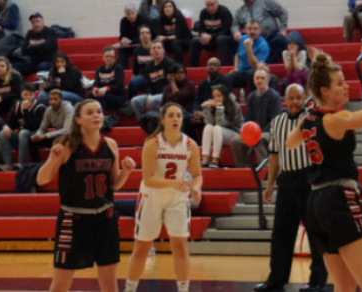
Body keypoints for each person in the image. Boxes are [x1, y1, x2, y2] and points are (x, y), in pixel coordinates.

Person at [285, 40, 362, 292]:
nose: (346, 87)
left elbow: (291, 143)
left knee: (344, 286)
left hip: (315, 204)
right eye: (339, 83)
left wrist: (311, 111)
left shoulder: (310, 118)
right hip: (339, 199)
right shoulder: (336, 119)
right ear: (324, 91)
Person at [36, 100, 136, 292]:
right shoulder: (65, 144)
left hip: (105, 218)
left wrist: (127, 172)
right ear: (78, 120)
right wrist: (52, 159)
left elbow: (113, 185)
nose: (97, 115)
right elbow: (42, 179)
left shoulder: (111, 145)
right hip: (72, 219)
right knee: (60, 285)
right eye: (90, 113)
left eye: (99, 111)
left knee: (110, 284)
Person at [256, 84, 327, 292]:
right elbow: (274, 155)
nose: (295, 101)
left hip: (308, 179)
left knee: (315, 232)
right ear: (284, 100)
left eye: (299, 97)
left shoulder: (312, 117)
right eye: (291, 98)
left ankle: (317, 281)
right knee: (281, 233)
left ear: (305, 98)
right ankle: (275, 280)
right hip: (286, 182)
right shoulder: (277, 122)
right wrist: (269, 184)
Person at [124, 103, 202, 292]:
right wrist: (173, 183)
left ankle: (183, 289)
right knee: (142, 248)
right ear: (163, 120)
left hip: (178, 198)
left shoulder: (190, 145)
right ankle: (129, 289)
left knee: (180, 248)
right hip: (152, 196)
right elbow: (148, 179)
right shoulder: (153, 143)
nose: (176, 119)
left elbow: (197, 174)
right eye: (171, 115)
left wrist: (197, 188)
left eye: (178, 115)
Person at [219, 0, 288, 66]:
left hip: (269, 37)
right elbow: (234, 25)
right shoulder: (240, 11)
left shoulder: (266, 1)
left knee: (280, 40)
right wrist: (236, 31)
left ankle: (265, 65)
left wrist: (282, 29)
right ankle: (239, 66)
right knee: (228, 40)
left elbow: (282, 13)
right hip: (250, 41)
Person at [231, 67, 281, 168]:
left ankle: (264, 169)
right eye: (257, 78)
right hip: (254, 133)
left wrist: (257, 134)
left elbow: (274, 121)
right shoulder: (251, 97)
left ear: (268, 80)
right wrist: (248, 134)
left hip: (270, 133)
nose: (259, 80)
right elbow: (248, 120)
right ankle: (243, 169)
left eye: (262, 78)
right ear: (253, 80)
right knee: (235, 141)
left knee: (259, 139)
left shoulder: (274, 96)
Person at [0, 83, 46, 169]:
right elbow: (10, 123)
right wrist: (6, 126)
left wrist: (26, 111)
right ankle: (8, 163)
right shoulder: (17, 105)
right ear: (21, 94)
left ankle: (21, 163)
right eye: (25, 94)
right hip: (21, 138)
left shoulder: (40, 107)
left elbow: (33, 127)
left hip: (35, 137)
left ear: (35, 95)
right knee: (3, 133)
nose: (28, 97)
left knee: (23, 133)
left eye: (30, 95)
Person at [130, 41, 176, 123]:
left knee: (152, 100)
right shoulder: (148, 67)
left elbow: (168, 85)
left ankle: (157, 123)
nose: (156, 50)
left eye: (158, 48)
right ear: (150, 51)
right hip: (154, 95)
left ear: (163, 50)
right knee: (134, 101)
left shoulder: (170, 63)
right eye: (154, 48)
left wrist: (151, 97)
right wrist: (149, 94)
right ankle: (144, 123)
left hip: (167, 93)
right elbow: (148, 85)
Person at [201, 84, 242, 168]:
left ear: (224, 95)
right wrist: (206, 109)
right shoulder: (215, 105)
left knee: (217, 128)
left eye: (219, 95)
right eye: (214, 96)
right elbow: (210, 122)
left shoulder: (234, 106)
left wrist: (219, 108)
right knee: (208, 127)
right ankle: (205, 159)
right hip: (220, 134)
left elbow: (222, 123)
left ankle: (215, 160)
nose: (216, 98)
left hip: (235, 134)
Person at [190, 58, 233, 134]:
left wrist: (205, 114)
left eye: (215, 65)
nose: (212, 66)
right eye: (209, 65)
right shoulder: (202, 83)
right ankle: (195, 143)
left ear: (220, 68)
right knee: (188, 120)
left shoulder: (226, 81)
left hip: (220, 114)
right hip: (204, 113)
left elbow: (228, 102)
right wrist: (196, 111)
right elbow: (197, 100)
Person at [189, 0, 233, 67]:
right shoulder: (203, 13)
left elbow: (226, 31)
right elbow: (200, 28)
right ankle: (193, 68)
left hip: (221, 41)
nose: (210, 8)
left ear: (217, 3)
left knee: (221, 39)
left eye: (212, 5)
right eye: (208, 5)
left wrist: (211, 36)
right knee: (195, 40)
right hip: (208, 41)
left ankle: (224, 67)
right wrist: (202, 34)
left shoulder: (224, 12)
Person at [227, 20, 270, 90]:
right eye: (250, 29)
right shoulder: (242, 39)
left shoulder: (263, 45)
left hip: (256, 73)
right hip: (242, 73)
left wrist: (249, 48)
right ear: (245, 30)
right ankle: (231, 99)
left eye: (255, 29)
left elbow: (255, 65)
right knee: (226, 78)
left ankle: (253, 99)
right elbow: (238, 55)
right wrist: (236, 69)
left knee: (251, 74)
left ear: (259, 30)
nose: (252, 31)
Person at [160, 65, 196, 135]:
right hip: (169, 113)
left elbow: (180, 97)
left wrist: (172, 82)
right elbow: (162, 105)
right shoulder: (167, 88)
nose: (181, 75)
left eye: (182, 73)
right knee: (149, 118)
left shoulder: (189, 85)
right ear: (172, 75)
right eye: (178, 73)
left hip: (185, 112)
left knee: (182, 119)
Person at [88, 46, 126, 111]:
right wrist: (95, 88)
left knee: (101, 95)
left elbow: (119, 86)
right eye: (107, 56)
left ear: (115, 58)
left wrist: (106, 88)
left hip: (117, 96)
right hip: (103, 94)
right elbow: (96, 83)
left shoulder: (118, 69)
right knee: (90, 93)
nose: (109, 58)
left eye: (111, 56)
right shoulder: (99, 69)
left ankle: (102, 117)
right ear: (103, 57)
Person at [156, 0, 192, 66]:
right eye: (165, 7)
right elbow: (160, 34)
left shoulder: (179, 17)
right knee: (158, 44)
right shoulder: (160, 19)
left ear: (173, 8)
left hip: (184, 41)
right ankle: (162, 66)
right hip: (170, 42)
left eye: (170, 6)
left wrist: (165, 38)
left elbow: (178, 35)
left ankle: (180, 67)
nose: (168, 9)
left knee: (175, 42)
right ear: (163, 9)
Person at [118, 4, 148, 69]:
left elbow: (144, 37)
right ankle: (123, 71)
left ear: (136, 12)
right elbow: (122, 36)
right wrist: (122, 40)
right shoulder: (123, 21)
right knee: (121, 50)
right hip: (130, 46)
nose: (131, 16)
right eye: (128, 14)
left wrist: (130, 41)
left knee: (138, 50)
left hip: (142, 45)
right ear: (125, 15)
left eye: (132, 13)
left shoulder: (143, 19)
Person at [128, 25, 154, 98]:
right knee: (132, 83)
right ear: (139, 36)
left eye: (147, 33)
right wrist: (132, 80)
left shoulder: (156, 48)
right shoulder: (137, 50)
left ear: (150, 35)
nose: (145, 35)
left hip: (155, 75)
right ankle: (131, 105)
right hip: (143, 77)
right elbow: (135, 71)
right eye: (142, 33)